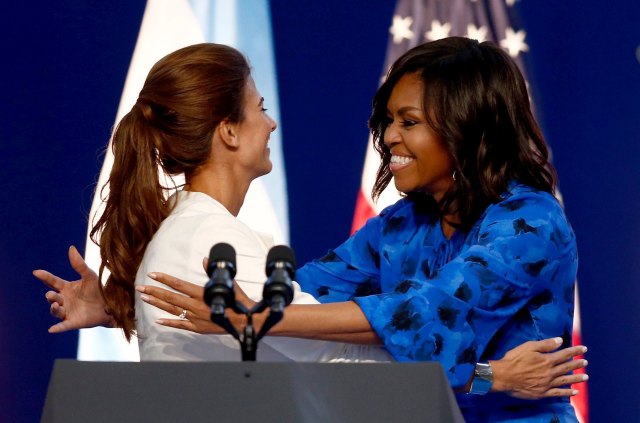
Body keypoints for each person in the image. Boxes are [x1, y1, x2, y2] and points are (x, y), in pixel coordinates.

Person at [34, 39, 586, 417]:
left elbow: (431, 315)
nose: (388, 137)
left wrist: (256, 316)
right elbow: (305, 298)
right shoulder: (400, 226)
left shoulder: (531, 223)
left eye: (409, 122)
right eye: (388, 120)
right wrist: (127, 300)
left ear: (470, 124)